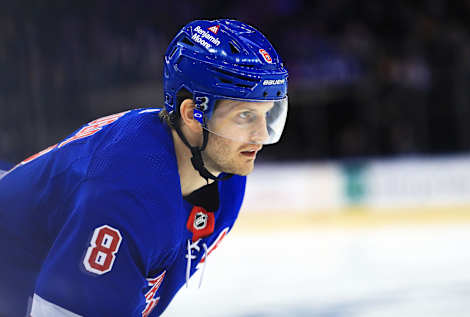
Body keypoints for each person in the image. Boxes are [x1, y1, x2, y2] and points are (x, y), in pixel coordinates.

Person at [0, 19, 288, 316]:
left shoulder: (226, 179)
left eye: (267, 114)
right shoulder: (127, 191)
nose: (262, 135)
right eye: (244, 116)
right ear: (192, 114)